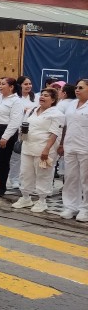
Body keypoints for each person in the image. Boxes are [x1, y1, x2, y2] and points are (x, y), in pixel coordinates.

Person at [12, 88, 63, 214]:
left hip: (44, 150)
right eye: (42, 95)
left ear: (53, 100)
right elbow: (24, 125)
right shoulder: (32, 110)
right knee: (25, 173)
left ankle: (42, 201)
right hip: (28, 147)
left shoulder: (57, 114)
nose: (42, 97)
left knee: (43, 175)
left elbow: (55, 133)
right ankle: (25, 198)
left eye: (46, 96)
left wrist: (46, 149)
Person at [58, 78, 88, 222]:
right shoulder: (71, 105)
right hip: (70, 146)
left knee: (86, 180)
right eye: (76, 87)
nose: (77, 90)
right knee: (70, 177)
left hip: (85, 147)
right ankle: (71, 206)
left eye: (81, 88)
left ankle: (85, 209)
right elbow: (65, 126)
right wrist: (62, 143)